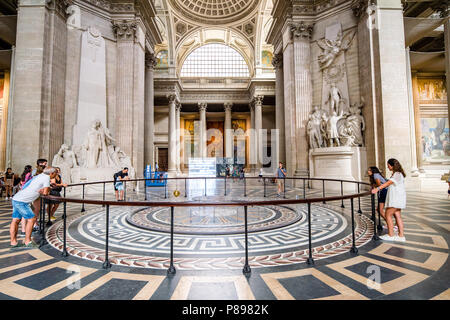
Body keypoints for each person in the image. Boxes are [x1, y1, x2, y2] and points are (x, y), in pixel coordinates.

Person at [9, 167, 57, 249]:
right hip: (22, 202)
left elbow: (28, 186)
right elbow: (45, 193)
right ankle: (28, 242)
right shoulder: (47, 177)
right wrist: (46, 189)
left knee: (16, 220)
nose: (56, 175)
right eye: (56, 174)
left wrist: (46, 188)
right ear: (51, 173)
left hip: (17, 198)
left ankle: (13, 242)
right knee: (31, 219)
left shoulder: (39, 175)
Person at [371, 158, 406, 242]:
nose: (387, 167)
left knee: (388, 215)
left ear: (393, 166)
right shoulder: (398, 174)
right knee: (397, 216)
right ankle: (401, 236)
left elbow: (388, 183)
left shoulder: (397, 174)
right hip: (398, 198)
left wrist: (377, 189)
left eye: (388, 165)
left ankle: (391, 235)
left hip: (396, 199)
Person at [368, 166, 397, 232]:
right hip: (384, 191)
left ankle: (391, 225)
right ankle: (392, 224)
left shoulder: (375, 175)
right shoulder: (376, 175)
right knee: (381, 209)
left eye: (369, 170)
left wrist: (374, 186)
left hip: (383, 191)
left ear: (373, 171)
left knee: (380, 210)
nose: (368, 171)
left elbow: (379, 185)